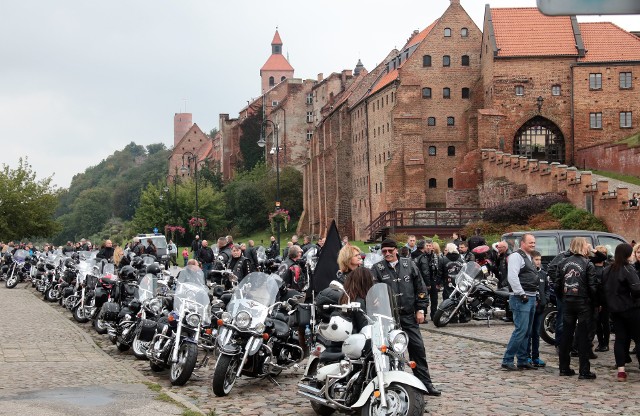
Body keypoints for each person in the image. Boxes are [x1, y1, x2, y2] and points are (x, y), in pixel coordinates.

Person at [370, 238, 440, 396]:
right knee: (387, 352)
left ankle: (426, 384)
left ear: (396, 250)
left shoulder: (409, 264)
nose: (387, 254)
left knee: (418, 348)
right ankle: (389, 385)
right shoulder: (377, 268)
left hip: (408, 315)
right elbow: (373, 289)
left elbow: (420, 287)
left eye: (390, 250)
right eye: (384, 251)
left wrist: (421, 309)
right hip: (387, 318)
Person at [556, 237, 597, 379]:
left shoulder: (562, 263)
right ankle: (584, 371)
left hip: (568, 301)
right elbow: (592, 287)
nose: (587, 247)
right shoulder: (588, 264)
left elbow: (557, 284)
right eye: (586, 245)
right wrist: (594, 302)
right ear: (582, 246)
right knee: (584, 337)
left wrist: (563, 297)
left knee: (566, 336)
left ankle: (564, 368)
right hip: (583, 302)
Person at [501, 233, 539, 371]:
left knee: (527, 331)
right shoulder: (517, 256)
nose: (533, 245)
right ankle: (507, 359)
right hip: (521, 298)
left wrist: (536, 294)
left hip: (530, 296)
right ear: (522, 243)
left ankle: (523, 360)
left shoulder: (528, 257)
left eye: (534, 242)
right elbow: (512, 277)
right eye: (530, 242)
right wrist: (521, 293)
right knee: (521, 330)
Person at [603, 243, 640, 382]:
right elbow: (637, 289)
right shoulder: (628, 269)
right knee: (638, 339)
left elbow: (603, 289)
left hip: (615, 310)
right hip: (631, 309)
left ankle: (621, 371)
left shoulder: (607, 270)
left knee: (620, 339)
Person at [316, 244, 363, 324]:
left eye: (359, 254)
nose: (359, 257)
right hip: (350, 316)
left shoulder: (363, 273)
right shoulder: (343, 277)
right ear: (348, 258)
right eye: (356, 255)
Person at [527, 250, 548, 368]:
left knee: (536, 333)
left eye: (540, 260)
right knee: (528, 333)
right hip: (530, 307)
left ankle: (535, 356)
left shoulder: (543, 274)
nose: (539, 262)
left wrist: (546, 299)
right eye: (536, 260)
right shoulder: (529, 273)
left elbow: (546, 289)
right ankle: (527, 356)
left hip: (540, 307)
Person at [339, 266, 374, 333]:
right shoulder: (358, 302)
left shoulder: (345, 297)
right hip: (359, 339)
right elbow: (365, 326)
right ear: (366, 282)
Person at [415, 239, 440, 321]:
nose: (428, 248)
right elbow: (418, 271)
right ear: (424, 247)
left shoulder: (437, 257)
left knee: (434, 299)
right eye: (427, 246)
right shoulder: (420, 258)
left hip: (434, 280)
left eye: (430, 246)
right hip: (423, 282)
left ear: (432, 247)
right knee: (423, 299)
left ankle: (434, 315)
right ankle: (423, 315)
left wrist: (439, 282)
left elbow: (439, 270)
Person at [592, 246, 610, 352]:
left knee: (605, 321)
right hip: (595, 296)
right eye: (601, 252)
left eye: (604, 252)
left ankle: (606, 343)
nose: (602, 254)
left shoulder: (607, 266)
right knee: (597, 321)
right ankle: (600, 342)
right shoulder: (591, 264)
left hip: (606, 297)